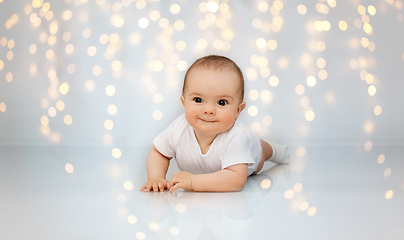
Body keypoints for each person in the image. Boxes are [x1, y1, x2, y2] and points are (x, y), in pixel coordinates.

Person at [140, 55, 289, 193]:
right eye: (198, 100)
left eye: (221, 102)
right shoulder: (179, 128)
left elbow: (236, 181)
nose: (209, 110)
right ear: (184, 103)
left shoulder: (237, 137)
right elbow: (159, 152)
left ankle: (281, 151)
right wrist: (156, 177)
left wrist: (193, 182)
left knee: (262, 149)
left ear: (238, 110)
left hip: (252, 151)